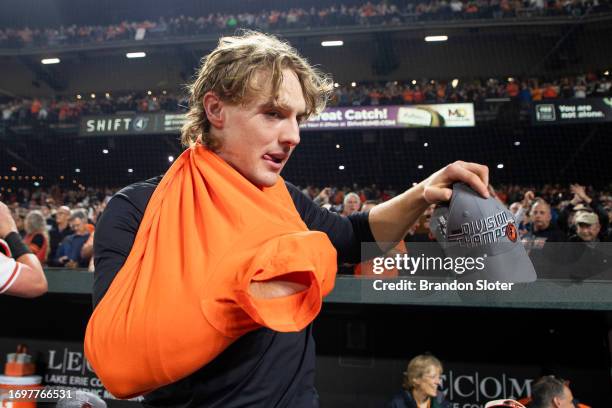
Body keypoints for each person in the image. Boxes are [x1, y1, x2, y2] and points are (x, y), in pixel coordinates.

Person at [85, 30, 489, 407]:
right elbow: (120, 362)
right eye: (274, 113)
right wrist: (259, 288)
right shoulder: (138, 208)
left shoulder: (284, 200)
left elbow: (354, 236)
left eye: (298, 118)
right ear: (215, 109)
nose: (293, 135)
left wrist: (422, 193)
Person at [0, 202, 48, 297]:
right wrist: (10, 231)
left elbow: (32, 252)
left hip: (32, 268)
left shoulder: (38, 236)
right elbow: (37, 283)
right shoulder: (29, 236)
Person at [386, 354, 451, 408]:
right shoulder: (397, 404)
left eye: (439, 377)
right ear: (416, 379)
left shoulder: (444, 405)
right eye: (433, 377)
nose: (438, 382)